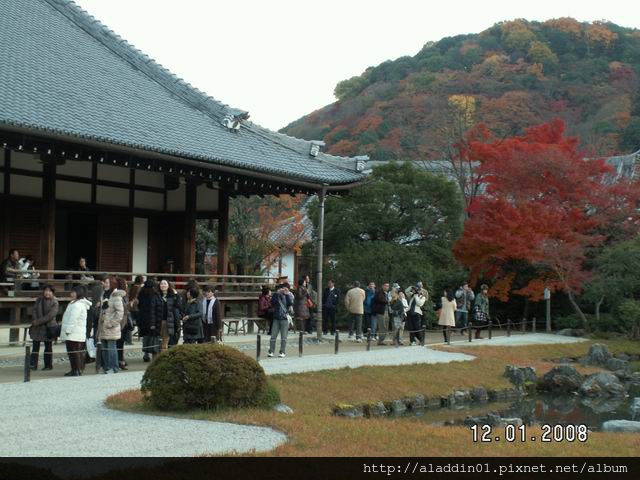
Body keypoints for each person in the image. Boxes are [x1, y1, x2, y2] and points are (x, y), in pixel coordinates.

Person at [60, 286, 91, 376]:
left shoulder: (78, 305)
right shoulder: (75, 303)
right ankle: (75, 369)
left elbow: (73, 319)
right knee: (74, 352)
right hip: (75, 332)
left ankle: (76, 370)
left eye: (74, 292)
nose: (71, 294)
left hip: (74, 332)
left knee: (74, 353)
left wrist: (68, 330)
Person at [97, 276, 124, 374]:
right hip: (103, 325)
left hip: (111, 326)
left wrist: (112, 323)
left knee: (111, 347)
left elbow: (120, 312)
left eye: (107, 282)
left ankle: (114, 367)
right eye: (104, 282)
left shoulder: (116, 295)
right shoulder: (103, 294)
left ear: (112, 284)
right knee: (104, 348)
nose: (105, 284)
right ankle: (107, 367)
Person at [29, 285, 59, 371]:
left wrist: (37, 321)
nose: (47, 292)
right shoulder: (39, 300)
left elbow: (50, 316)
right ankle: (33, 364)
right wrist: (35, 319)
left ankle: (48, 365)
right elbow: (34, 310)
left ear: (52, 292)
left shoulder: (55, 302)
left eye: (49, 291)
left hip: (48, 326)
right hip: (37, 327)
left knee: (48, 347)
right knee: (35, 346)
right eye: (46, 290)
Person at [137, 280, 161, 362]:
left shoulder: (141, 293)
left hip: (143, 318)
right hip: (151, 318)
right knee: (152, 335)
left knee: (145, 336)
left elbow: (139, 305)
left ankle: (145, 353)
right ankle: (152, 352)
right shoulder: (154, 294)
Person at [269, 283, 293, 357]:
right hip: (276, 318)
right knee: (273, 336)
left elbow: (290, 303)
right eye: (283, 288)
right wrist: (277, 294)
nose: (284, 290)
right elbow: (272, 303)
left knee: (284, 337)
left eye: (285, 289)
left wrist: (287, 294)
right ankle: (271, 351)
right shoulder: (276, 295)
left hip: (284, 319)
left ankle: (282, 352)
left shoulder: (288, 296)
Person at [158, 279, 182, 351]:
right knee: (158, 342)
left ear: (168, 286)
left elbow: (178, 306)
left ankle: (163, 358)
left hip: (167, 321)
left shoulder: (172, 296)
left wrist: (176, 294)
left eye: (165, 284)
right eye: (161, 284)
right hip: (158, 321)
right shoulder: (157, 295)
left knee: (165, 342)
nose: (163, 285)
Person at [115, 277, 130, 371]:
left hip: (124, 321)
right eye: (126, 283)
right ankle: (119, 361)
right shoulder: (119, 295)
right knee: (119, 343)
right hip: (120, 321)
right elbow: (123, 309)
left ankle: (121, 360)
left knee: (120, 343)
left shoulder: (124, 295)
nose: (127, 285)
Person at [126, 275, 144, 345]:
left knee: (130, 323)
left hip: (130, 307)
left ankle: (128, 340)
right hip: (137, 307)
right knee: (139, 323)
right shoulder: (139, 288)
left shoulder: (132, 286)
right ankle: (140, 337)